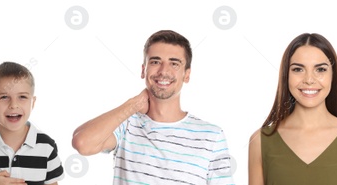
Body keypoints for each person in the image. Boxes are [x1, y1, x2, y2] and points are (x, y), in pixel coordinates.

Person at [72, 30, 233, 185]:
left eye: (174, 63)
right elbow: (82, 142)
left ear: (187, 74)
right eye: (155, 62)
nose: (164, 71)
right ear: (144, 70)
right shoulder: (126, 125)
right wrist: (133, 104)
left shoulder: (212, 136)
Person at [248, 33, 337, 185]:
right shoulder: (260, 141)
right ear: (286, 75)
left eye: (320, 70)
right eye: (298, 69)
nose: (309, 80)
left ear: (333, 75)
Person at [0, 62, 64, 185]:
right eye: (4, 97)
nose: (13, 105)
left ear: (33, 102)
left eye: (22, 97)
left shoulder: (47, 146)